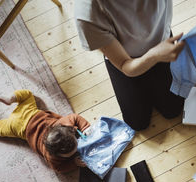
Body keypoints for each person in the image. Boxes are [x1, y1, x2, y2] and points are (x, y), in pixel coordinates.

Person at [74, 0, 186, 131]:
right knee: (137, 122)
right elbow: (124, 65)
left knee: (173, 110)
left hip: (161, 43)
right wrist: (154, 56)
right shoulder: (88, 14)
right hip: (125, 59)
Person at [0, 90, 90, 173]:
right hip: (18, 127)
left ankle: (10, 99)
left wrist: (85, 127)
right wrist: (74, 163)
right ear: (55, 154)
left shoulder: (63, 123)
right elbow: (59, 168)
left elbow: (75, 117)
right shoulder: (52, 157)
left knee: (28, 95)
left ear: (69, 130)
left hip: (30, 112)